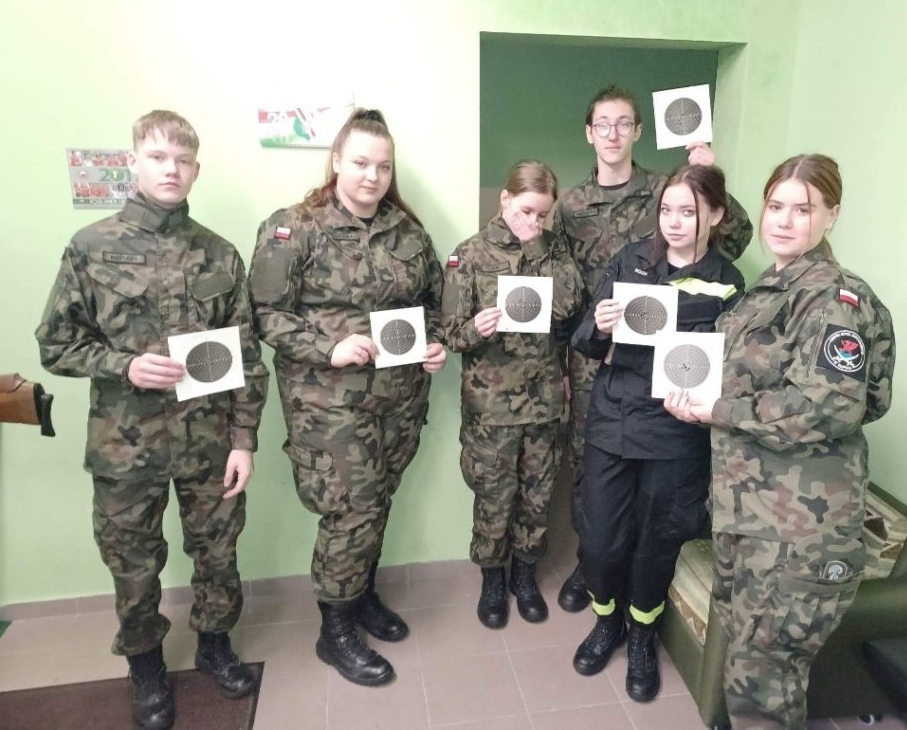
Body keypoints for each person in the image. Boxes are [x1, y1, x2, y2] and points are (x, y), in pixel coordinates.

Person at [36, 110, 269, 730]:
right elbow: (55, 345)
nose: (172, 170)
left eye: (183, 160)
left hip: (209, 442)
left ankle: (215, 646)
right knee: (133, 565)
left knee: (218, 553)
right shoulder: (91, 247)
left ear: (196, 169)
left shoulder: (218, 252)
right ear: (133, 162)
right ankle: (145, 668)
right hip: (125, 446)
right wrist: (124, 365)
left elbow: (247, 358)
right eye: (159, 157)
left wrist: (244, 440)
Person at [665, 154, 895, 729]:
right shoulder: (769, 290)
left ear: (831, 215)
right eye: (775, 206)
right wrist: (699, 400)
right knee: (749, 674)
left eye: (803, 209)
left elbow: (832, 405)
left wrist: (719, 410)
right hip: (748, 518)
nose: (784, 221)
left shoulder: (835, 298)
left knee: (766, 690)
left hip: (795, 534)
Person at [248, 108, 446, 687]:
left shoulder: (408, 233)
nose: (372, 176)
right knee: (350, 510)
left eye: (383, 166)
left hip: (399, 399)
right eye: (360, 163)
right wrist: (327, 346)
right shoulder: (294, 228)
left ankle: (360, 596)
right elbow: (263, 313)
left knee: (377, 501)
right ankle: (334, 631)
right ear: (336, 161)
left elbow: (435, 303)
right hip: (329, 404)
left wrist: (434, 343)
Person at [553, 84, 753, 612]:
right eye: (603, 124)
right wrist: (586, 337)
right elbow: (562, 282)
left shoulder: (666, 193)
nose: (612, 134)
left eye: (623, 123)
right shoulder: (573, 208)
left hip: (674, 400)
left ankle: (637, 611)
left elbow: (731, 241)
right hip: (608, 370)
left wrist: (710, 172)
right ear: (589, 133)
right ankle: (593, 573)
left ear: (638, 131)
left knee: (658, 516)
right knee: (596, 494)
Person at [570, 165, 744, 701]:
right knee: (600, 539)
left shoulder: (729, 282)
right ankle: (607, 621)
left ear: (716, 215)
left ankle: (642, 633)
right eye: (667, 209)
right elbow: (584, 339)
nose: (674, 222)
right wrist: (600, 326)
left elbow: (735, 364)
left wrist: (709, 402)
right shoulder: (629, 261)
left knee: (658, 540)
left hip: (677, 431)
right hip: (615, 420)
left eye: (688, 211)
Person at [441, 161, 584, 629]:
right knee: (494, 496)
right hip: (492, 406)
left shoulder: (551, 248)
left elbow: (569, 305)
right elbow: (450, 332)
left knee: (537, 496)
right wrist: (475, 329)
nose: (533, 222)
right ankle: (491, 579)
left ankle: (525, 575)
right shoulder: (470, 254)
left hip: (543, 399)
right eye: (526, 211)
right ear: (504, 200)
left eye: (542, 214)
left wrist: (536, 246)